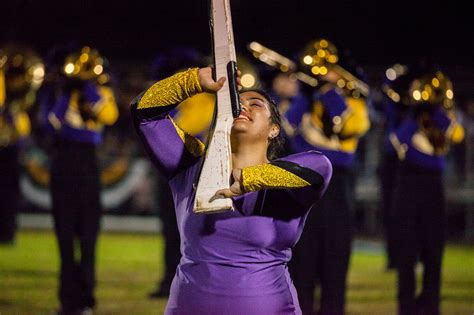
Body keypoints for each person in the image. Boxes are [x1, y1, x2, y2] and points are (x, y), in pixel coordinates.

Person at [131, 66, 332, 314]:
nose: (241, 107)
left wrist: (249, 178)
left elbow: (320, 165)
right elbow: (144, 113)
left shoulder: (286, 181)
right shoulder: (193, 165)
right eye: (234, 103)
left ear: (274, 129)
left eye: (255, 104)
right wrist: (193, 81)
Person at [287, 39, 370, 315]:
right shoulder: (305, 103)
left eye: (331, 70)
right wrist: (305, 94)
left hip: (338, 192)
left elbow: (343, 156)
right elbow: (287, 132)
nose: (324, 74)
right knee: (302, 265)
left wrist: (327, 94)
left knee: (335, 267)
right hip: (304, 191)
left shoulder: (355, 107)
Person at [39, 45, 118, 315]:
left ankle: (85, 300)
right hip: (62, 164)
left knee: (87, 236)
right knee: (64, 236)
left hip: (87, 165)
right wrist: (67, 91)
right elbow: (51, 124)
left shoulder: (100, 91)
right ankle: (66, 301)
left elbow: (108, 116)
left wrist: (86, 86)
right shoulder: (56, 94)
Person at [390, 70, 464, 315]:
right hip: (408, 185)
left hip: (433, 187)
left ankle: (431, 304)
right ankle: (406, 306)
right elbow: (397, 144)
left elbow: (456, 135)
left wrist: (435, 109)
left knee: (434, 250)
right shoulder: (406, 117)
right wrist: (414, 110)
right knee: (407, 252)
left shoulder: (441, 118)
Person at [0, 44, 44, 244]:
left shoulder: (19, 107)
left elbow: (23, 133)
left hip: (10, 151)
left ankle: (8, 232)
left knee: (10, 194)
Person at [378, 63, 413, 270]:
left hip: (408, 163)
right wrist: (392, 79)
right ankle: (393, 258)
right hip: (391, 163)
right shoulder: (391, 101)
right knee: (390, 213)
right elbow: (385, 96)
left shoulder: (412, 108)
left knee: (407, 215)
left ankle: (408, 258)